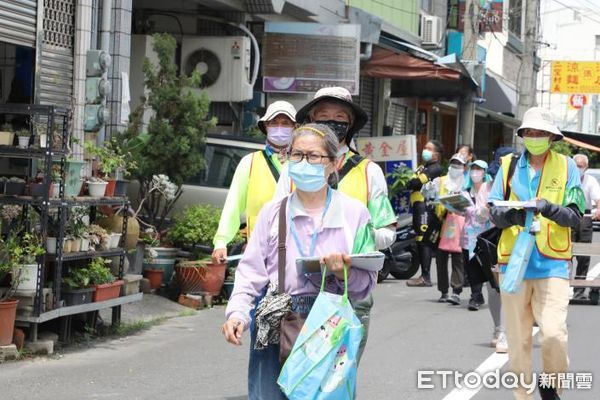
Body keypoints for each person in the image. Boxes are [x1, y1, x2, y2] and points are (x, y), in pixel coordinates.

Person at [222, 123, 377, 399]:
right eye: (297, 155)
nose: (304, 162)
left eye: (314, 156)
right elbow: (250, 272)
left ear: (334, 163)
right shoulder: (272, 212)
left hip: (329, 322)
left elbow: (366, 284)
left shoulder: (354, 214)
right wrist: (237, 313)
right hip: (274, 316)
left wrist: (343, 274)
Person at [275, 87, 397, 362]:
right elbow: (275, 225)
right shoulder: (293, 169)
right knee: (296, 373)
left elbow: (388, 231)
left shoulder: (369, 171)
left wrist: (354, 240)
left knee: (339, 374)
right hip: (299, 290)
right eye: (323, 116)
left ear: (350, 124)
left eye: (339, 117)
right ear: (311, 121)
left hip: (350, 291)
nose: (332, 122)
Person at [489, 107, 585, 400]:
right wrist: (514, 217)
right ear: (522, 136)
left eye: (540, 133)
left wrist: (549, 208)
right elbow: (493, 210)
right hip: (515, 262)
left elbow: (575, 216)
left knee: (554, 333)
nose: (534, 137)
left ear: (551, 137)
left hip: (552, 261)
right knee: (518, 342)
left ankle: (551, 386)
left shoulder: (567, 167)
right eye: (529, 133)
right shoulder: (507, 167)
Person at [212, 101, 296, 263]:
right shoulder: (249, 162)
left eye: (285, 123)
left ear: (295, 127)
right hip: (258, 250)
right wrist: (221, 242)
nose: (279, 127)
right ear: (265, 126)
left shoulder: (304, 163)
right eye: (274, 123)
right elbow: (233, 205)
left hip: (296, 250)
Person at [460, 160, 507, 352]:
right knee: (493, 287)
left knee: (514, 286)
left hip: (515, 238)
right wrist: (485, 209)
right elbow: (479, 216)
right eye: (494, 176)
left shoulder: (517, 185)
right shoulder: (486, 188)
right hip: (490, 241)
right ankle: (499, 328)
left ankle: (511, 330)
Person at [405, 140, 444, 287]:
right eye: (425, 147)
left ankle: (425, 277)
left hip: (425, 207)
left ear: (436, 154)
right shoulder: (423, 167)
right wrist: (413, 181)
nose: (424, 150)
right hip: (417, 206)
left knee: (424, 241)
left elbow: (414, 183)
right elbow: (410, 182)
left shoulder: (435, 168)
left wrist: (413, 181)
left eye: (428, 148)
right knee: (420, 241)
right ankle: (423, 275)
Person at [431, 153, 467, 304]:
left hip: (461, 223)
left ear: (464, 167)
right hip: (443, 222)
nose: (455, 168)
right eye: (453, 164)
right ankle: (444, 291)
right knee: (441, 257)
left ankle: (456, 291)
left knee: (458, 258)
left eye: (459, 165)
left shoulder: (467, 182)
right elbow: (430, 195)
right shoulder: (441, 181)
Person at [571, 154, 600, 300]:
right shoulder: (566, 179)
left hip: (585, 217)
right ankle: (560, 286)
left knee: (583, 257)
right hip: (568, 216)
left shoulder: (591, 181)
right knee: (564, 255)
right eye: (576, 165)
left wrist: (598, 210)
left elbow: (598, 199)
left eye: (581, 166)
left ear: (586, 167)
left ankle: (579, 290)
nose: (578, 169)